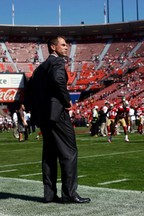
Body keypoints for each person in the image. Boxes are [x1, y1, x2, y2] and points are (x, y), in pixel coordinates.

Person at [24, 36, 90, 204]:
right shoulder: (57, 62)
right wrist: (67, 100)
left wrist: (37, 110)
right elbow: (58, 79)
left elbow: (29, 91)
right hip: (57, 114)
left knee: (49, 155)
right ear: (53, 48)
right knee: (69, 152)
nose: (66, 47)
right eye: (63, 44)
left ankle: (49, 194)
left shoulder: (39, 69)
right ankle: (69, 194)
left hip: (44, 116)